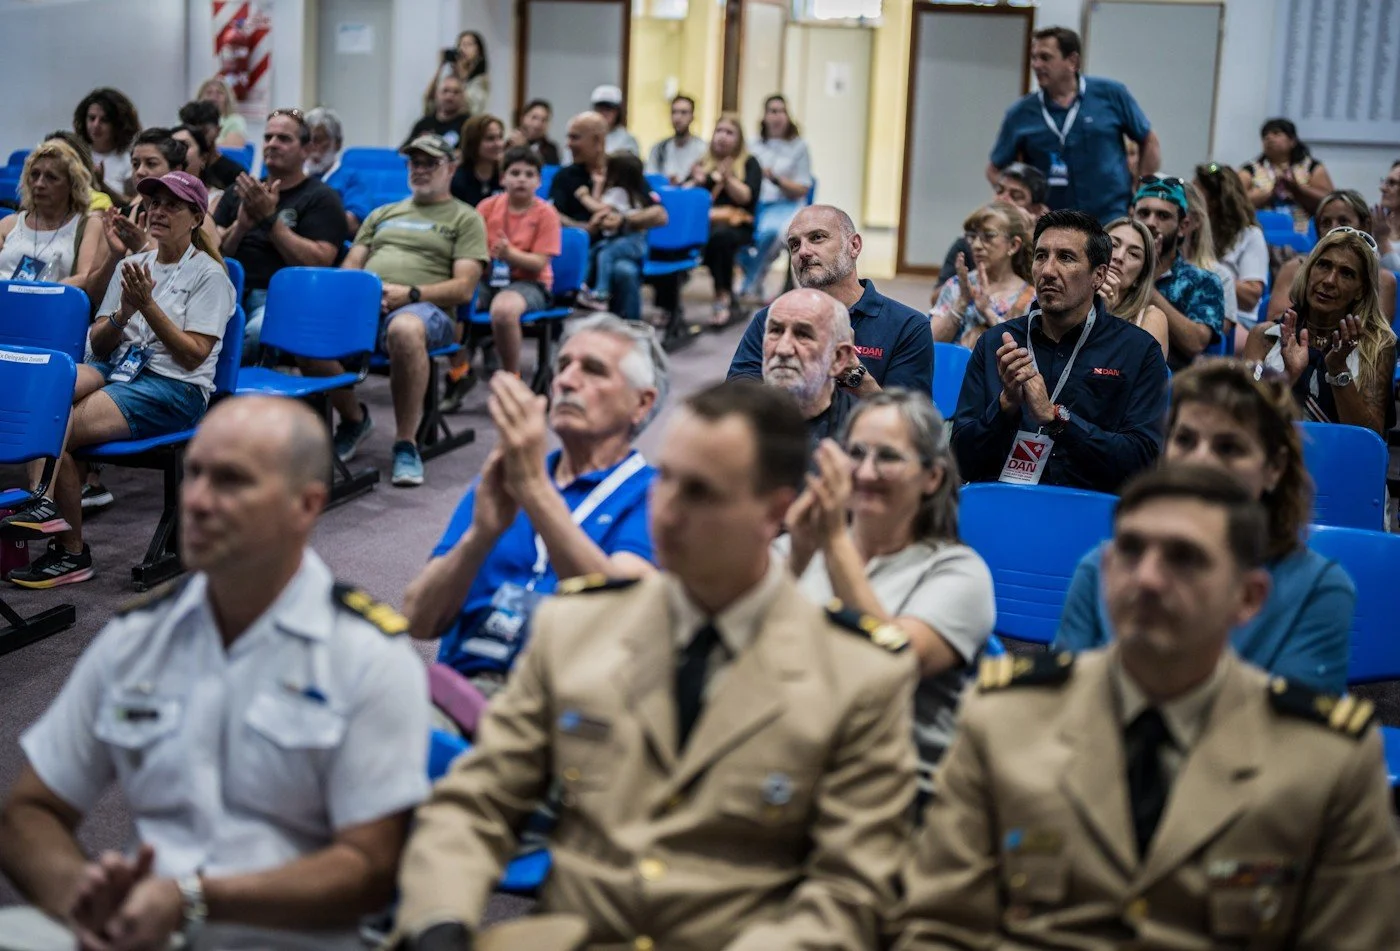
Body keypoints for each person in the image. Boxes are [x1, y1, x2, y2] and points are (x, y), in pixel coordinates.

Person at [389, 380, 917, 951]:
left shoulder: (857, 675)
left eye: (702, 492)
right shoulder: (577, 627)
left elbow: (849, 893)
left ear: (777, 512)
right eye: (666, 480)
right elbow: (478, 801)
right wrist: (438, 918)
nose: (667, 512)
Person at [902, 463, 1400, 950]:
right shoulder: (1002, 719)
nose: (1149, 579)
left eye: (1185, 558)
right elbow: (940, 924)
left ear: (1248, 597)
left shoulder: (1328, 760)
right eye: (1131, 551)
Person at [0, 397, 429, 951]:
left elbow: (371, 869)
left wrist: (193, 899)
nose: (197, 500)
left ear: (306, 505)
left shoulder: (367, 655)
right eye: (195, 472)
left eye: (231, 481)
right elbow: (29, 813)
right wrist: (85, 901)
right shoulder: (137, 637)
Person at [1057, 357, 1354, 692]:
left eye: (1228, 447)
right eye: (1184, 440)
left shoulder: (1317, 590)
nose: (1199, 462)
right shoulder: (1102, 569)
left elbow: (1291, 738)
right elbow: (1063, 714)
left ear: (1274, 467)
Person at [405, 314, 665, 692]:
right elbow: (418, 620)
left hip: (564, 704)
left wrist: (536, 493)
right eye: (562, 365)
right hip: (462, 691)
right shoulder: (503, 482)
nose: (566, 381)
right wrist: (480, 536)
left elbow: (620, 617)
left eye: (593, 370)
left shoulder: (656, 495)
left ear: (641, 404)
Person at [1, 172, 234, 587]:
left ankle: (49, 514)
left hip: (174, 386)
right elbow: (99, 344)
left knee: (59, 427)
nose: (156, 211)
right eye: (152, 203)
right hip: (120, 367)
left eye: (171, 205)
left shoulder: (210, 276)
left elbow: (193, 353)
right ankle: (63, 539)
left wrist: (147, 306)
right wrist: (125, 312)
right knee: (48, 397)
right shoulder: (132, 264)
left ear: (197, 217)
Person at [782, 389, 993, 797]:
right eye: (855, 454)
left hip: (893, 786)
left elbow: (893, 663)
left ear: (932, 477)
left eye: (888, 457)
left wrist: (833, 544)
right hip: (791, 764)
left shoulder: (959, 574)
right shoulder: (798, 546)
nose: (865, 472)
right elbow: (742, 646)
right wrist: (794, 559)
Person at [310, 133, 486, 488]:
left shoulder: (466, 219)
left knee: (404, 329)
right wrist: (366, 294)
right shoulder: (382, 214)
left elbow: (464, 288)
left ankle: (406, 443)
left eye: (429, 163)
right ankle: (354, 418)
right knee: (306, 329)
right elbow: (350, 270)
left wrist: (412, 293)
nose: (419, 170)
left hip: (430, 312)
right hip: (371, 307)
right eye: (414, 163)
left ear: (451, 169)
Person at [952, 209, 1168, 493]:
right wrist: (1004, 407)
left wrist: (1058, 419)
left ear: (1098, 275)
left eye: (1065, 258)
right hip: (1006, 508)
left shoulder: (1137, 350)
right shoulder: (997, 343)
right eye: (1041, 256)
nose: (1048, 271)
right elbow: (959, 462)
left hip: (1092, 517)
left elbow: (1143, 463)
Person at [728, 204, 934, 395]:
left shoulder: (908, 327)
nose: (804, 252)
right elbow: (736, 399)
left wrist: (853, 374)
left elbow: (907, 424)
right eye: (794, 245)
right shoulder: (771, 320)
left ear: (854, 245)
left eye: (817, 237)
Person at [988, 27, 1159, 224]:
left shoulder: (1111, 94)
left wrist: (1142, 195)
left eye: (1045, 57)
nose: (1036, 65)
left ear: (1072, 61)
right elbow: (994, 169)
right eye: (1034, 58)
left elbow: (1149, 141)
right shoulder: (1020, 113)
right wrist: (1017, 201)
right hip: (1053, 223)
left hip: (1111, 217)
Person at [214, 108, 348, 353]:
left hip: (281, 298)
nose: (272, 144)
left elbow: (318, 262)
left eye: (284, 139)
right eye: (268, 137)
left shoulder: (322, 198)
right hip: (226, 290)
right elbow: (213, 254)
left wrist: (269, 219)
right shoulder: (240, 190)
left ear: (306, 149)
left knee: (252, 334)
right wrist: (241, 227)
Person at [1243, 227, 1397, 436]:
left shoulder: (1378, 346)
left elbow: (1368, 442)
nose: (1329, 281)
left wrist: (1337, 369)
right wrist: (1290, 377)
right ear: (1308, 272)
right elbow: (1243, 421)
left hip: (1340, 464)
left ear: (1361, 290)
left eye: (1346, 273)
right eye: (1323, 265)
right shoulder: (1265, 338)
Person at [550, 112, 667, 324]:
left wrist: (624, 220)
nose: (568, 144)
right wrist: (584, 229)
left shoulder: (622, 170)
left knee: (623, 270)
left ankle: (631, 334)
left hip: (617, 247)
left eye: (575, 137)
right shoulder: (565, 176)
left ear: (598, 140)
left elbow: (659, 215)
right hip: (580, 250)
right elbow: (552, 214)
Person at [472, 147, 563, 378]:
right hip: (488, 278)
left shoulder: (547, 214)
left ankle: (511, 376)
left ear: (539, 181)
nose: (521, 179)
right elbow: (472, 250)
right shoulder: (486, 207)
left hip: (530, 283)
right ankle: (460, 372)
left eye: (529, 174)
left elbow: (539, 263)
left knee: (503, 310)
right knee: (456, 299)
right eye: (515, 173)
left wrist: (509, 255)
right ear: (503, 178)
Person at [1132, 176, 1226, 370]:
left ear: (1183, 226)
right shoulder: (1111, 269)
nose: (1150, 223)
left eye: (1163, 216)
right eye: (1143, 213)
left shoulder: (1204, 281)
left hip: (1172, 386)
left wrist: (1145, 283)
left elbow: (1195, 343)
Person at [1269, 189, 1397, 325]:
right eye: (1326, 223)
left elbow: (1377, 335)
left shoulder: (1382, 279)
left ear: (1365, 225)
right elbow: (1275, 322)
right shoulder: (1293, 269)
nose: (1332, 230)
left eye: (1343, 222)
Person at [684, 113, 762, 327]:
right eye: (719, 131)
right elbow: (685, 195)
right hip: (704, 226)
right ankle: (669, 304)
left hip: (737, 225)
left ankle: (722, 296)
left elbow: (747, 197)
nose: (722, 137)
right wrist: (694, 181)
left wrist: (727, 179)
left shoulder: (749, 163)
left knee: (720, 239)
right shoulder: (703, 163)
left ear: (739, 139)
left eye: (729, 133)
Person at [761, 288, 859, 450]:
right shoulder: (732, 423)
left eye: (803, 335)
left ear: (838, 358)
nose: (783, 349)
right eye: (776, 331)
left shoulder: (860, 434)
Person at [0, 140, 103, 292]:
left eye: (51, 177)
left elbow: (85, 277)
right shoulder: (9, 223)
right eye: (34, 175)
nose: (39, 184)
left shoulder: (88, 224)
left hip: (51, 307)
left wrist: (36, 293)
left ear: (71, 184)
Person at [739, 94, 814, 303]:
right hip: (755, 205)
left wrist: (776, 180)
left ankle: (750, 283)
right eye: (772, 111)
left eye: (781, 111)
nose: (777, 116)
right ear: (764, 116)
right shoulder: (752, 144)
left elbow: (803, 188)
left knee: (772, 233)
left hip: (787, 205)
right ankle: (751, 281)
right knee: (735, 233)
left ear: (788, 116)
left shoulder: (799, 146)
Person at [929, 201, 1034, 348]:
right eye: (972, 236)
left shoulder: (1030, 298)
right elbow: (929, 344)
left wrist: (987, 311)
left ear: (1013, 245)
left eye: (988, 236)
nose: (976, 245)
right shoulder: (957, 285)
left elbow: (1026, 354)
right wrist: (962, 303)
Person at [939, 162, 1048, 286]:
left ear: (1036, 210)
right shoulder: (969, 240)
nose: (1003, 199)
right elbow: (938, 297)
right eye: (999, 191)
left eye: (1016, 196)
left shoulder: (1046, 248)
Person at [1196, 162, 1269, 341]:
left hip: (1240, 320)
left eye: (1196, 194)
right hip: (1198, 309)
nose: (1188, 199)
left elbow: (1251, 296)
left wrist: (1204, 272)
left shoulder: (1250, 235)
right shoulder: (1191, 231)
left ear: (1213, 202)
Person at [576, 152, 652, 314]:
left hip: (631, 240)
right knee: (594, 251)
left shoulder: (619, 193)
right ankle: (582, 286)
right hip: (625, 240)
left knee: (605, 254)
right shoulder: (628, 193)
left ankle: (602, 293)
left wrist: (583, 197)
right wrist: (598, 185)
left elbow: (598, 207)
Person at [1239, 117, 1335, 231]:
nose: (1269, 138)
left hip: (1304, 231)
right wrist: (1270, 194)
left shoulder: (1312, 167)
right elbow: (1235, 201)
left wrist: (1298, 189)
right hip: (1261, 229)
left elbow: (1330, 200)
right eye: (1265, 136)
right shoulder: (1250, 169)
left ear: (1292, 141)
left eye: (1276, 133)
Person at [1100, 217, 1169, 358]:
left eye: (1133, 254)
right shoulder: (1066, 303)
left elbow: (1137, 376)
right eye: (1113, 244)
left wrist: (1103, 318)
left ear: (1140, 277)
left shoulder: (1150, 319)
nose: (1119, 257)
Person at [305, 105, 371, 233]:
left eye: (318, 140)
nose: (311, 146)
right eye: (307, 140)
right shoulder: (294, 173)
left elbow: (353, 223)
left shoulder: (350, 178)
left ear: (337, 143)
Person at [72, 87, 142, 200]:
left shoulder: (129, 160)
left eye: (104, 120)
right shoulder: (74, 154)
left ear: (119, 125)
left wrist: (101, 185)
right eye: (92, 118)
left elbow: (131, 203)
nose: (96, 125)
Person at [178, 100, 247, 191]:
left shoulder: (236, 174)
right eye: (191, 132)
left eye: (204, 131)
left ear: (218, 130)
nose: (197, 137)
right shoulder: (176, 166)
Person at [424, 30, 490, 119]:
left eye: (469, 45)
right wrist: (440, 67)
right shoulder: (450, 78)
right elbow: (429, 102)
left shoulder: (481, 80)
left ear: (479, 52)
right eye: (460, 45)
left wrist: (461, 72)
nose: (463, 49)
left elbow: (471, 108)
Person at [646, 94, 707, 185]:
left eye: (684, 112)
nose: (678, 117)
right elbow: (650, 178)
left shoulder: (703, 149)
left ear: (692, 117)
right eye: (674, 112)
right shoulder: (659, 149)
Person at [449, 113, 505, 207]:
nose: (498, 144)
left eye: (500, 137)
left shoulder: (506, 177)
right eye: (490, 139)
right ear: (473, 143)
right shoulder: (457, 181)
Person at [404, 74, 472, 151]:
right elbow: (403, 151)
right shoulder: (424, 124)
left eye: (456, 92)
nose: (449, 96)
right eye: (445, 91)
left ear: (463, 97)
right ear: (436, 95)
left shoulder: (469, 126)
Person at [172, 123, 225, 211]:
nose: (177, 152)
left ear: (203, 158)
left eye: (184, 145)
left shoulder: (218, 200)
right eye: (172, 146)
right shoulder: (156, 194)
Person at [196, 75, 249, 148]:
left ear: (227, 99)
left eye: (219, 93)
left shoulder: (235, 121)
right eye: (209, 93)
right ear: (200, 98)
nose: (214, 96)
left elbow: (232, 149)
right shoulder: (188, 119)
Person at [506, 98, 561, 167]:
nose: (538, 124)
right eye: (534, 118)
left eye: (544, 120)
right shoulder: (510, 143)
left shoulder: (551, 149)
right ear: (523, 118)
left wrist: (524, 147)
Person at [590, 83, 640, 155]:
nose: (604, 113)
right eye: (600, 109)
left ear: (618, 112)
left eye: (608, 109)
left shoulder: (627, 140)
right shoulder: (583, 137)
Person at [1376, 160, 1400, 270]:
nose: (1383, 188)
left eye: (1392, 183)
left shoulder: (1380, 231)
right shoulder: (1378, 222)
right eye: (1385, 181)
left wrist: (1382, 240)